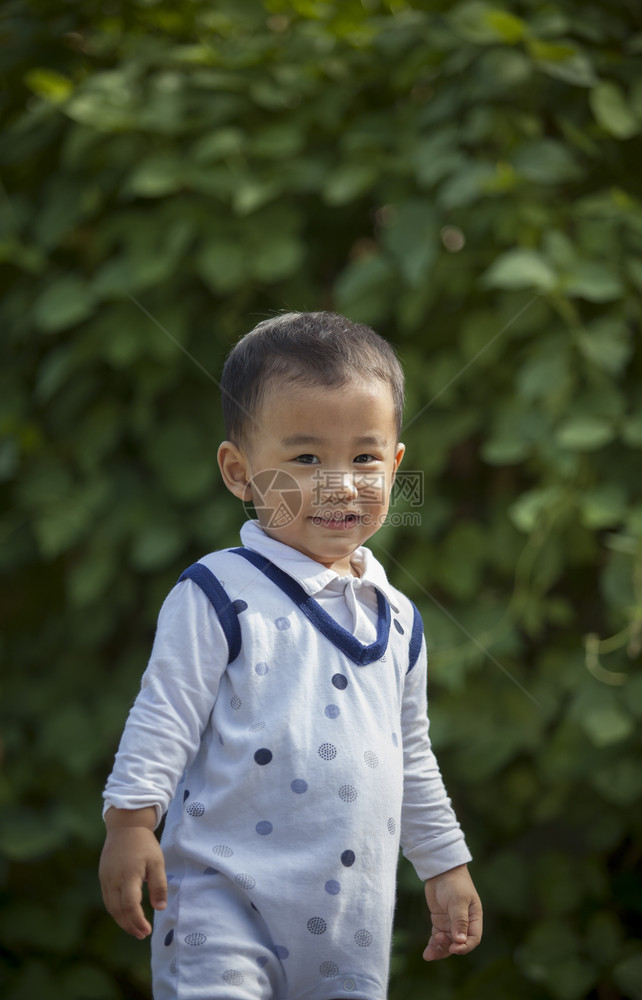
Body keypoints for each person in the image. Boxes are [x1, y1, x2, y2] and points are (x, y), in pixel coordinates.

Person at [100, 311, 482, 1000]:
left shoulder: (396, 619)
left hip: (347, 924)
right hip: (221, 898)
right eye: (306, 459)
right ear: (239, 471)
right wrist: (130, 821)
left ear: (395, 465)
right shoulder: (217, 591)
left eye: (364, 458)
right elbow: (164, 714)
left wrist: (443, 864)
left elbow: (411, 754)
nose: (339, 484)